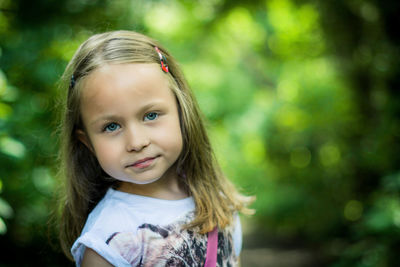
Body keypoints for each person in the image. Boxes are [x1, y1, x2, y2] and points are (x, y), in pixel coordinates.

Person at [57, 30, 254, 266]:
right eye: (111, 127)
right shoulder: (108, 241)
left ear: (183, 111)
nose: (136, 142)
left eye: (151, 115)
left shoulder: (217, 200)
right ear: (87, 142)